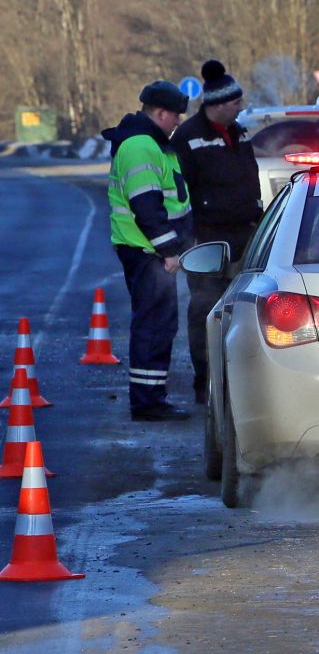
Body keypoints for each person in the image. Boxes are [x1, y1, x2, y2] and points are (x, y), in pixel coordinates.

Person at [104, 80, 195, 421]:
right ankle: (148, 403)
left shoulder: (151, 143)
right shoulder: (142, 145)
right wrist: (170, 250)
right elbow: (147, 206)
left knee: (158, 323)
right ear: (160, 113)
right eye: (175, 116)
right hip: (148, 251)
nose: (178, 123)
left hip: (148, 250)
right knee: (154, 325)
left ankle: (151, 398)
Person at [175, 60, 262, 404]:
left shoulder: (240, 133)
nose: (240, 107)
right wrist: (190, 236)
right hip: (208, 237)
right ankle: (206, 382)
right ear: (217, 104)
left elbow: (250, 176)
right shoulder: (188, 138)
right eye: (235, 102)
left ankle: (241, 380)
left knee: (245, 311)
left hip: (247, 234)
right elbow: (181, 192)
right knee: (206, 311)